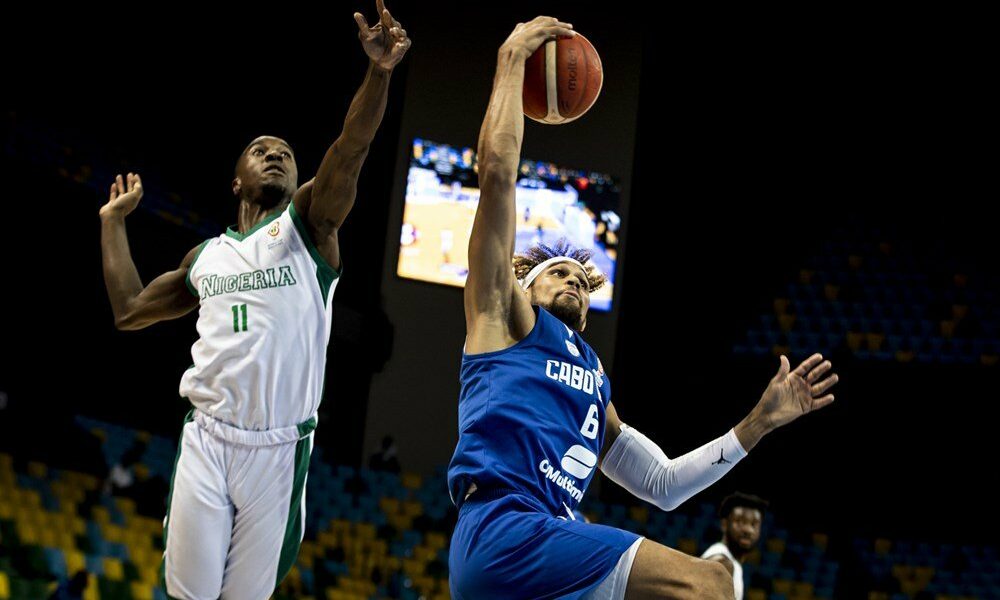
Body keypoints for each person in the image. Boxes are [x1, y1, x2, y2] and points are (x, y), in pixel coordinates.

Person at [446, 16, 839, 600]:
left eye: (582, 277)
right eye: (558, 273)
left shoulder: (593, 382)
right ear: (522, 288)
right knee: (711, 584)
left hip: (544, 547)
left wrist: (759, 421)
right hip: (507, 532)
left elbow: (660, 482)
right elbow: (499, 174)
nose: (574, 281)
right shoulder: (501, 320)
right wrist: (510, 61)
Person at [97, 3, 409, 597]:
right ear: (236, 179)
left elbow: (351, 148)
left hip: (278, 450)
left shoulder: (310, 227)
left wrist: (380, 73)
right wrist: (113, 223)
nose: (277, 154)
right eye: (261, 148)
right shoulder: (205, 257)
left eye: (286, 153)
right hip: (208, 438)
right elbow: (130, 310)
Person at [702, 492, 770, 600]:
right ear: (724, 524)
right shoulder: (722, 563)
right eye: (739, 521)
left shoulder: (732, 563)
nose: (748, 530)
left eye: (754, 524)